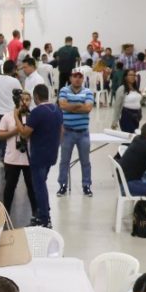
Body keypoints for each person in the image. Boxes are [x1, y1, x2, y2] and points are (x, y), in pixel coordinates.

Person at [17, 84, 63, 228]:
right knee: (41, 183)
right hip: (51, 154)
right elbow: (62, 131)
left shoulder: (37, 112)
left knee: (39, 187)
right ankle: (44, 211)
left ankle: (45, 218)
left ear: (36, 96)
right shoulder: (57, 110)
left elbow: (24, 133)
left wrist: (16, 117)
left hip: (38, 156)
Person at [0, 89, 37, 218]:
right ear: (17, 101)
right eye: (22, 99)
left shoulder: (33, 116)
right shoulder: (8, 117)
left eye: (27, 100)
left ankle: (36, 214)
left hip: (29, 159)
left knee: (32, 188)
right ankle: (5, 214)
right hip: (12, 159)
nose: (24, 102)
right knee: (9, 188)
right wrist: (15, 131)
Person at [57, 67, 95, 197]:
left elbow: (88, 108)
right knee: (64, 161)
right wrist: (79, 105)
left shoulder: (88, 91)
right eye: (75, 76)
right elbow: (62, 105)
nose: (77, 79)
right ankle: (62, 185)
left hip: (83, 133)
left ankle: (86, 185)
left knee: (85, 161)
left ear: (83, 78)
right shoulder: (64, 90)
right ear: (70, 78)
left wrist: (70, 107)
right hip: (67, 132)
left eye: (80, 76)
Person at [0, 60, 23, 169]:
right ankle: (9, 162)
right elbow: (21, 96)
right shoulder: (15, 81)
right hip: (12, 114)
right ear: (13, 70)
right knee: (12, 138)